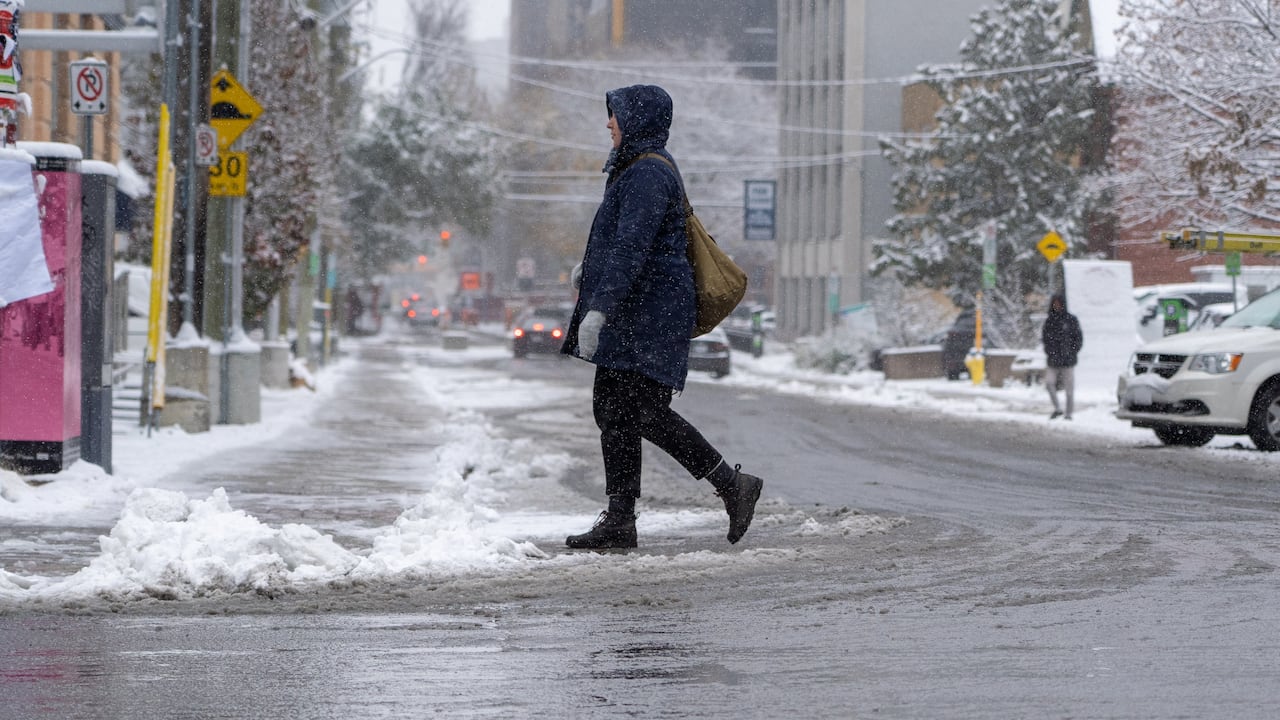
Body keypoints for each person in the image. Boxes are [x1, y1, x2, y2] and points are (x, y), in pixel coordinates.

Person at [560, 84, 764, 550]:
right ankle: (620, 518)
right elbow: (630, 243)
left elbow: (634, 248)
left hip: (650, 315)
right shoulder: (634, 169)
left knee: (644, 412)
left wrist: (599, 309)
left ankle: (733, 487)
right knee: (613, 411)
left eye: (615, 115)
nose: (608, 123)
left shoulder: (649, 174)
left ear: (637, 121)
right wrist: (589, 271)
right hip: (641, 310)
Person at [1041, 292, 1083, 420]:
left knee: (1069, 388)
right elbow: (1045, 339)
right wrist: (1050, 351)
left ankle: (1069, 413)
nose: (1056, 306)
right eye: (1054, 303)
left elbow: (1078, 339)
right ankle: (1057, 408)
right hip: (1053, 360)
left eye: (1058, 303)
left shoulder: (1071, 320)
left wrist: (1071, 352)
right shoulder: (1049, 321)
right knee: (1049, 383)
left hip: (1067, 360)